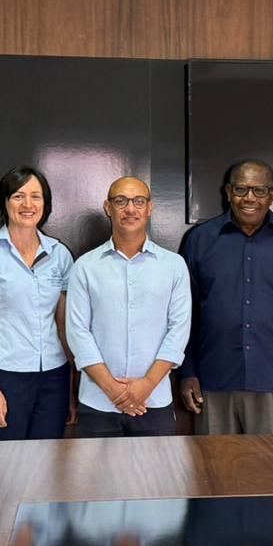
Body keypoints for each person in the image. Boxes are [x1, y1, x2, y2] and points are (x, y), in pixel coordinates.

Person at [178, 160, 273, 434]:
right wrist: (187, 371)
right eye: (241, 189)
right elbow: (185, 313)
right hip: (214, 378)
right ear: (228, 191)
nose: (250, 199)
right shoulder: (200, 240)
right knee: (215, 472)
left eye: (260, 191)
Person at [67, 176, 191, 437]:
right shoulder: (85, 267)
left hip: (153, 401)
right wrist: (112, 389)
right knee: (94, 479)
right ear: (107, 207)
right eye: (120, 201)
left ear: (150, 208)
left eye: (138, 201)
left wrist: (146, 385)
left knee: (154, 478)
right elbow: (78, 332)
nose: (130, 209)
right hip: (98, 403)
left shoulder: (174, 265)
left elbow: (179, 330)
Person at [0, 166, 75, 441]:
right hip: (5, 376)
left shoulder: (60, 255)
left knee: (48, 466)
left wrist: (71, 390)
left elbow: (64, 327)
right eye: (18, 196)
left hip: (53, 377)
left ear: (45, 204)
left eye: (36, 197)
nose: (28, 205)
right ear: (5, 201)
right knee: (7, 468)